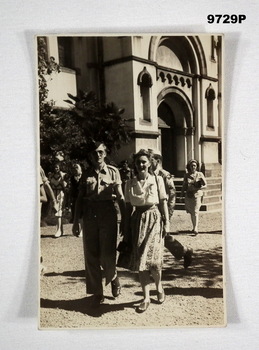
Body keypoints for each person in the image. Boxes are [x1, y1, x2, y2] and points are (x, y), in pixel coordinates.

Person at [72, 141, 125, 308]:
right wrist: (75, 221)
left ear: (105, 153)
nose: (98, 155)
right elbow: (79, 199)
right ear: (90, 156)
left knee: (107, 255)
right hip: (89, 216)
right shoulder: (86, 174)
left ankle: (114, 277)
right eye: (95, 153)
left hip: (108, 215)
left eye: (101, 152)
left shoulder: (113, 172)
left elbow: (121, 197)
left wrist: (124, 220)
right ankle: (97, 292)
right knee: (91, 255)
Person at [123, 149, 170, 313]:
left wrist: (167, 223)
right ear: (135, 165)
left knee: (154, 262)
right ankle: (146, 297)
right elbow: (128, 208)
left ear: (150, 163)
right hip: (137, 222)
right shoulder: (129, 183)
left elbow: (163, 202)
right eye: (138, 162)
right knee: (141, 262)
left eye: (144, 162)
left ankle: (159, 287)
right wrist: (125, 228)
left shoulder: (157, 180)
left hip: (154, 219)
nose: (141, 165)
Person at [149, 149, 193, 268]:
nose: (147, 162)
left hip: (162, 210)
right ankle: (184, 251)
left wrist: (167, 213)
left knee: (160, 235)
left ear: (157, 161)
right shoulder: (147, 174)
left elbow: (172, 194)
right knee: (159, 236)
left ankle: (182, 251)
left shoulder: (164, 174)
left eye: (150, 160)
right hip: (150, 210)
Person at [180, 159, 207, 235]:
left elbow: (205, 185)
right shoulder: (186, 175)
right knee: (192, 212)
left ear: (197, 166)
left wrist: (199, 188)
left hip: (197, 195)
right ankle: (194, 226)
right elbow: (184, 186)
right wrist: (181, 195)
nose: (193, 167)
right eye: (191, 166)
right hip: (189, 195)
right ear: (189, 167)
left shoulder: (200, 174)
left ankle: (196, 228)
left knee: (195, 211)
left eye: (194, 165)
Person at [48, 163, 67, 238]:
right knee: (56, 211)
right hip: (54, 194)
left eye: (57, 167)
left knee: (59, 212)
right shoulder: (51, 176)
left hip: (60, 194)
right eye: (55, 167)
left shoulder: (63, 175)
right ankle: (60, 229)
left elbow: (65, 186)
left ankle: (59, 230)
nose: (56, 169)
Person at [69, 163, 83, 237]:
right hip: (75, 197)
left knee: (81, 215)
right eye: (74, 169)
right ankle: (77, 229)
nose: (75, 170)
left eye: (76, 168)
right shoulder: (72, 178)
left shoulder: (83, 176)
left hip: (82, 197)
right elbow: (72, 188)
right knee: (75, 214)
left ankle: (82, 231)